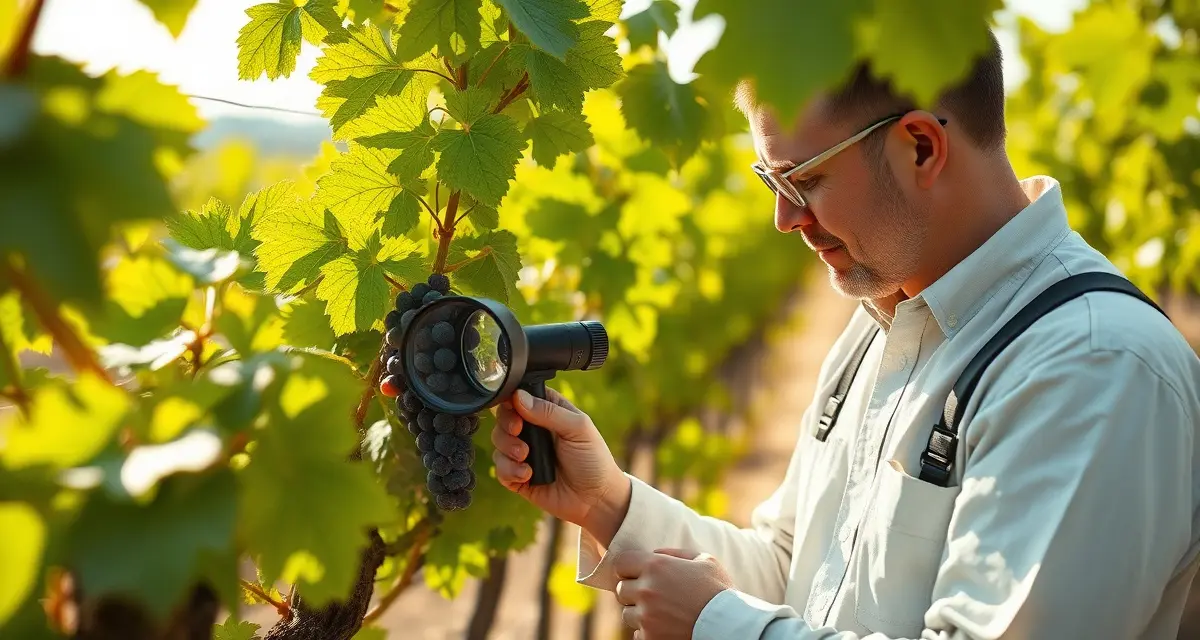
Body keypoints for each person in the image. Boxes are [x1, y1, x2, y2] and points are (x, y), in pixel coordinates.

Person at [489, 28, 1200, 640]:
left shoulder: (1095, 367)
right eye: (771, 183)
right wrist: (608, 503)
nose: (785, 219)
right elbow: (792, 571)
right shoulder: (881, 327)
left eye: (803, 181)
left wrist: (720, 626)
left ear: (921, 147)